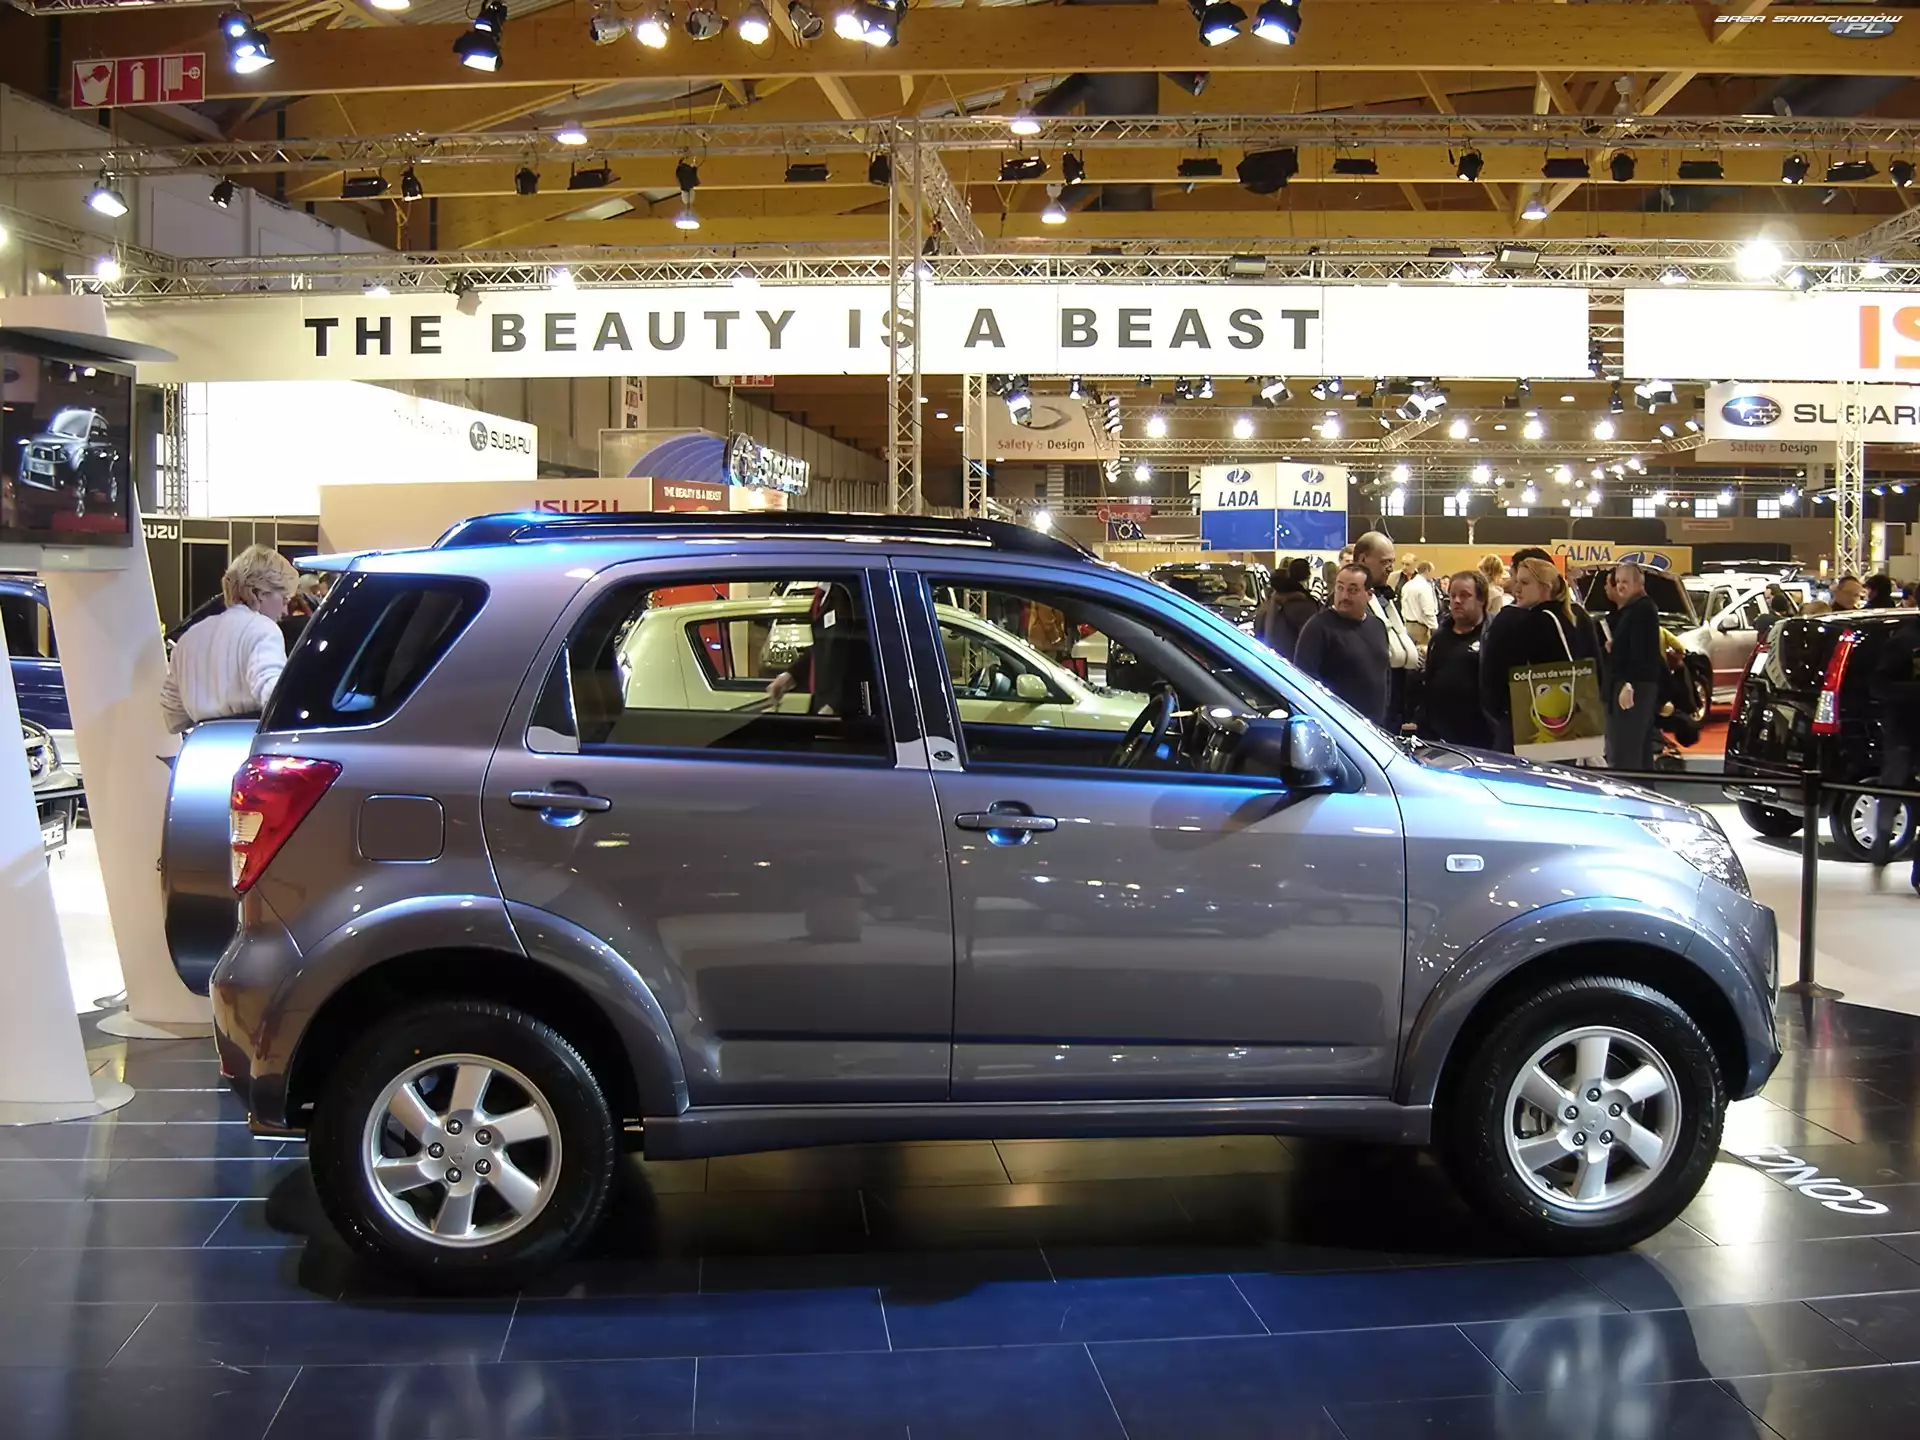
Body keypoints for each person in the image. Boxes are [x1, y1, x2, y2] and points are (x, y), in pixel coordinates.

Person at [160, 544, 299, 734]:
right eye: (284, 599)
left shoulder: (189, 638)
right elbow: (272, 692)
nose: (285, 611)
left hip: (199, 742)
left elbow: (172, 715)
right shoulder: (263, 629)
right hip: (247, 738)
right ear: (260, 593)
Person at [1479, 556, 1601, 753]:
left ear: (1545, 588)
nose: (1517, 589)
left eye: (1525, 583)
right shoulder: (1572, 615)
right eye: (1517, 581)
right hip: (1569, 721)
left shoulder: (1535, 621)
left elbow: (1499, 674)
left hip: (1538, 724)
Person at [1294, 563, 1390, 724]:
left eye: (1353, 590)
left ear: (1369, 594)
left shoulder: (1377, 626)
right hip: (1338, 727)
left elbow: (1385, 672)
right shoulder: (1319, 627)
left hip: (1375, 727)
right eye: (1340, 588)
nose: (1344, 596)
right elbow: (1303, 681)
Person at [1869, 605, 1920, 891]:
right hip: (1902, 730)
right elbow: (1878, 686)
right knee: (1892, 788)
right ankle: (1881, 842)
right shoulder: (1903, 641)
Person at [1351, 531, 1422, 727]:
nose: (1390, 568)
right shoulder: (1350, 604)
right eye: (1384, 562)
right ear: (1363, 560)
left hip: (1392, 702)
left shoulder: (1385, 598)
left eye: (1392, 562)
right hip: (1367, 708)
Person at [1420, 570, 1493, 748]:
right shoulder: (1439, 636)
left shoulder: (1493, 636)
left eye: (1465, 595)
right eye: (1453, 596)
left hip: (1481, 737)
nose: (1457, 601)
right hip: (1439, 737)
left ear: (1482, 599)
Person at [1605, 562, 1664, 772]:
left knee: (1625, 753)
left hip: (1633, 687)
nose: (1620, 586)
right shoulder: (1636, 608)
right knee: (1637, 753)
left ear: (1639, 584)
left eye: (1625, 582)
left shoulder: (1642, 609)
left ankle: (1628, 790)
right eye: (1618, 581)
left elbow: (1641, 650)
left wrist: (1628, 683)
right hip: (1635, 685)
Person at [1260, 557, 1322, 660]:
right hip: (1293, 661)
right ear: (1308, 576)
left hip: (1270, 657)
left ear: (1288, 573)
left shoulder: (1270, 600)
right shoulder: (1306, 605)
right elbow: (1311, 640)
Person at [1400, 560, 1440, 648]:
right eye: (1432, 571)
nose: (1433, 575)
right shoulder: (1424, 587)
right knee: (1422, 653)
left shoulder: (1407, 585)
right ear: (1427, 570)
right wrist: (1435, 628)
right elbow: (1428, 611)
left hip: (1407, 626)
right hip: (1420, 629)